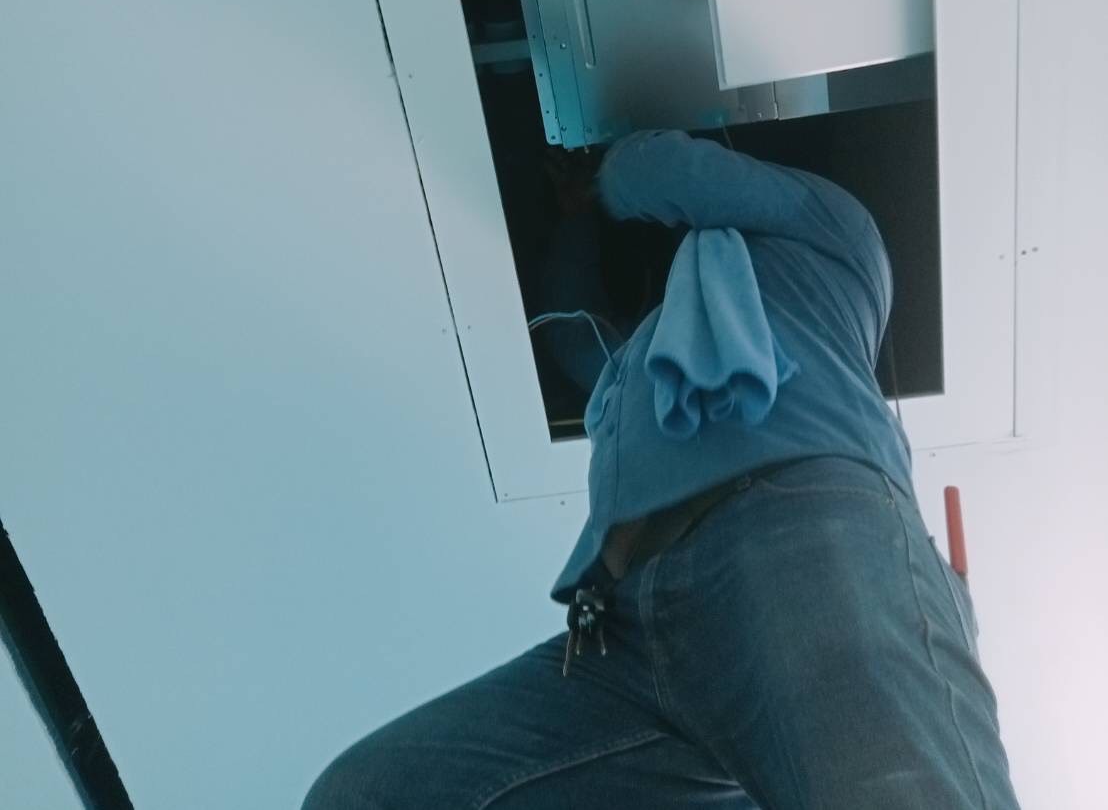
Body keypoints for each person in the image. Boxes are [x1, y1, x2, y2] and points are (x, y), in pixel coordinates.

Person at [303, 129, 1022, 809]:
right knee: (369, 796)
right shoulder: (650, 360)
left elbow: (661, 172)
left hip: (794, 544)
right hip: (627, 626)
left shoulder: (839, 240)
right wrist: (576, 226)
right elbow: (572, 326)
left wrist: (597, 184)